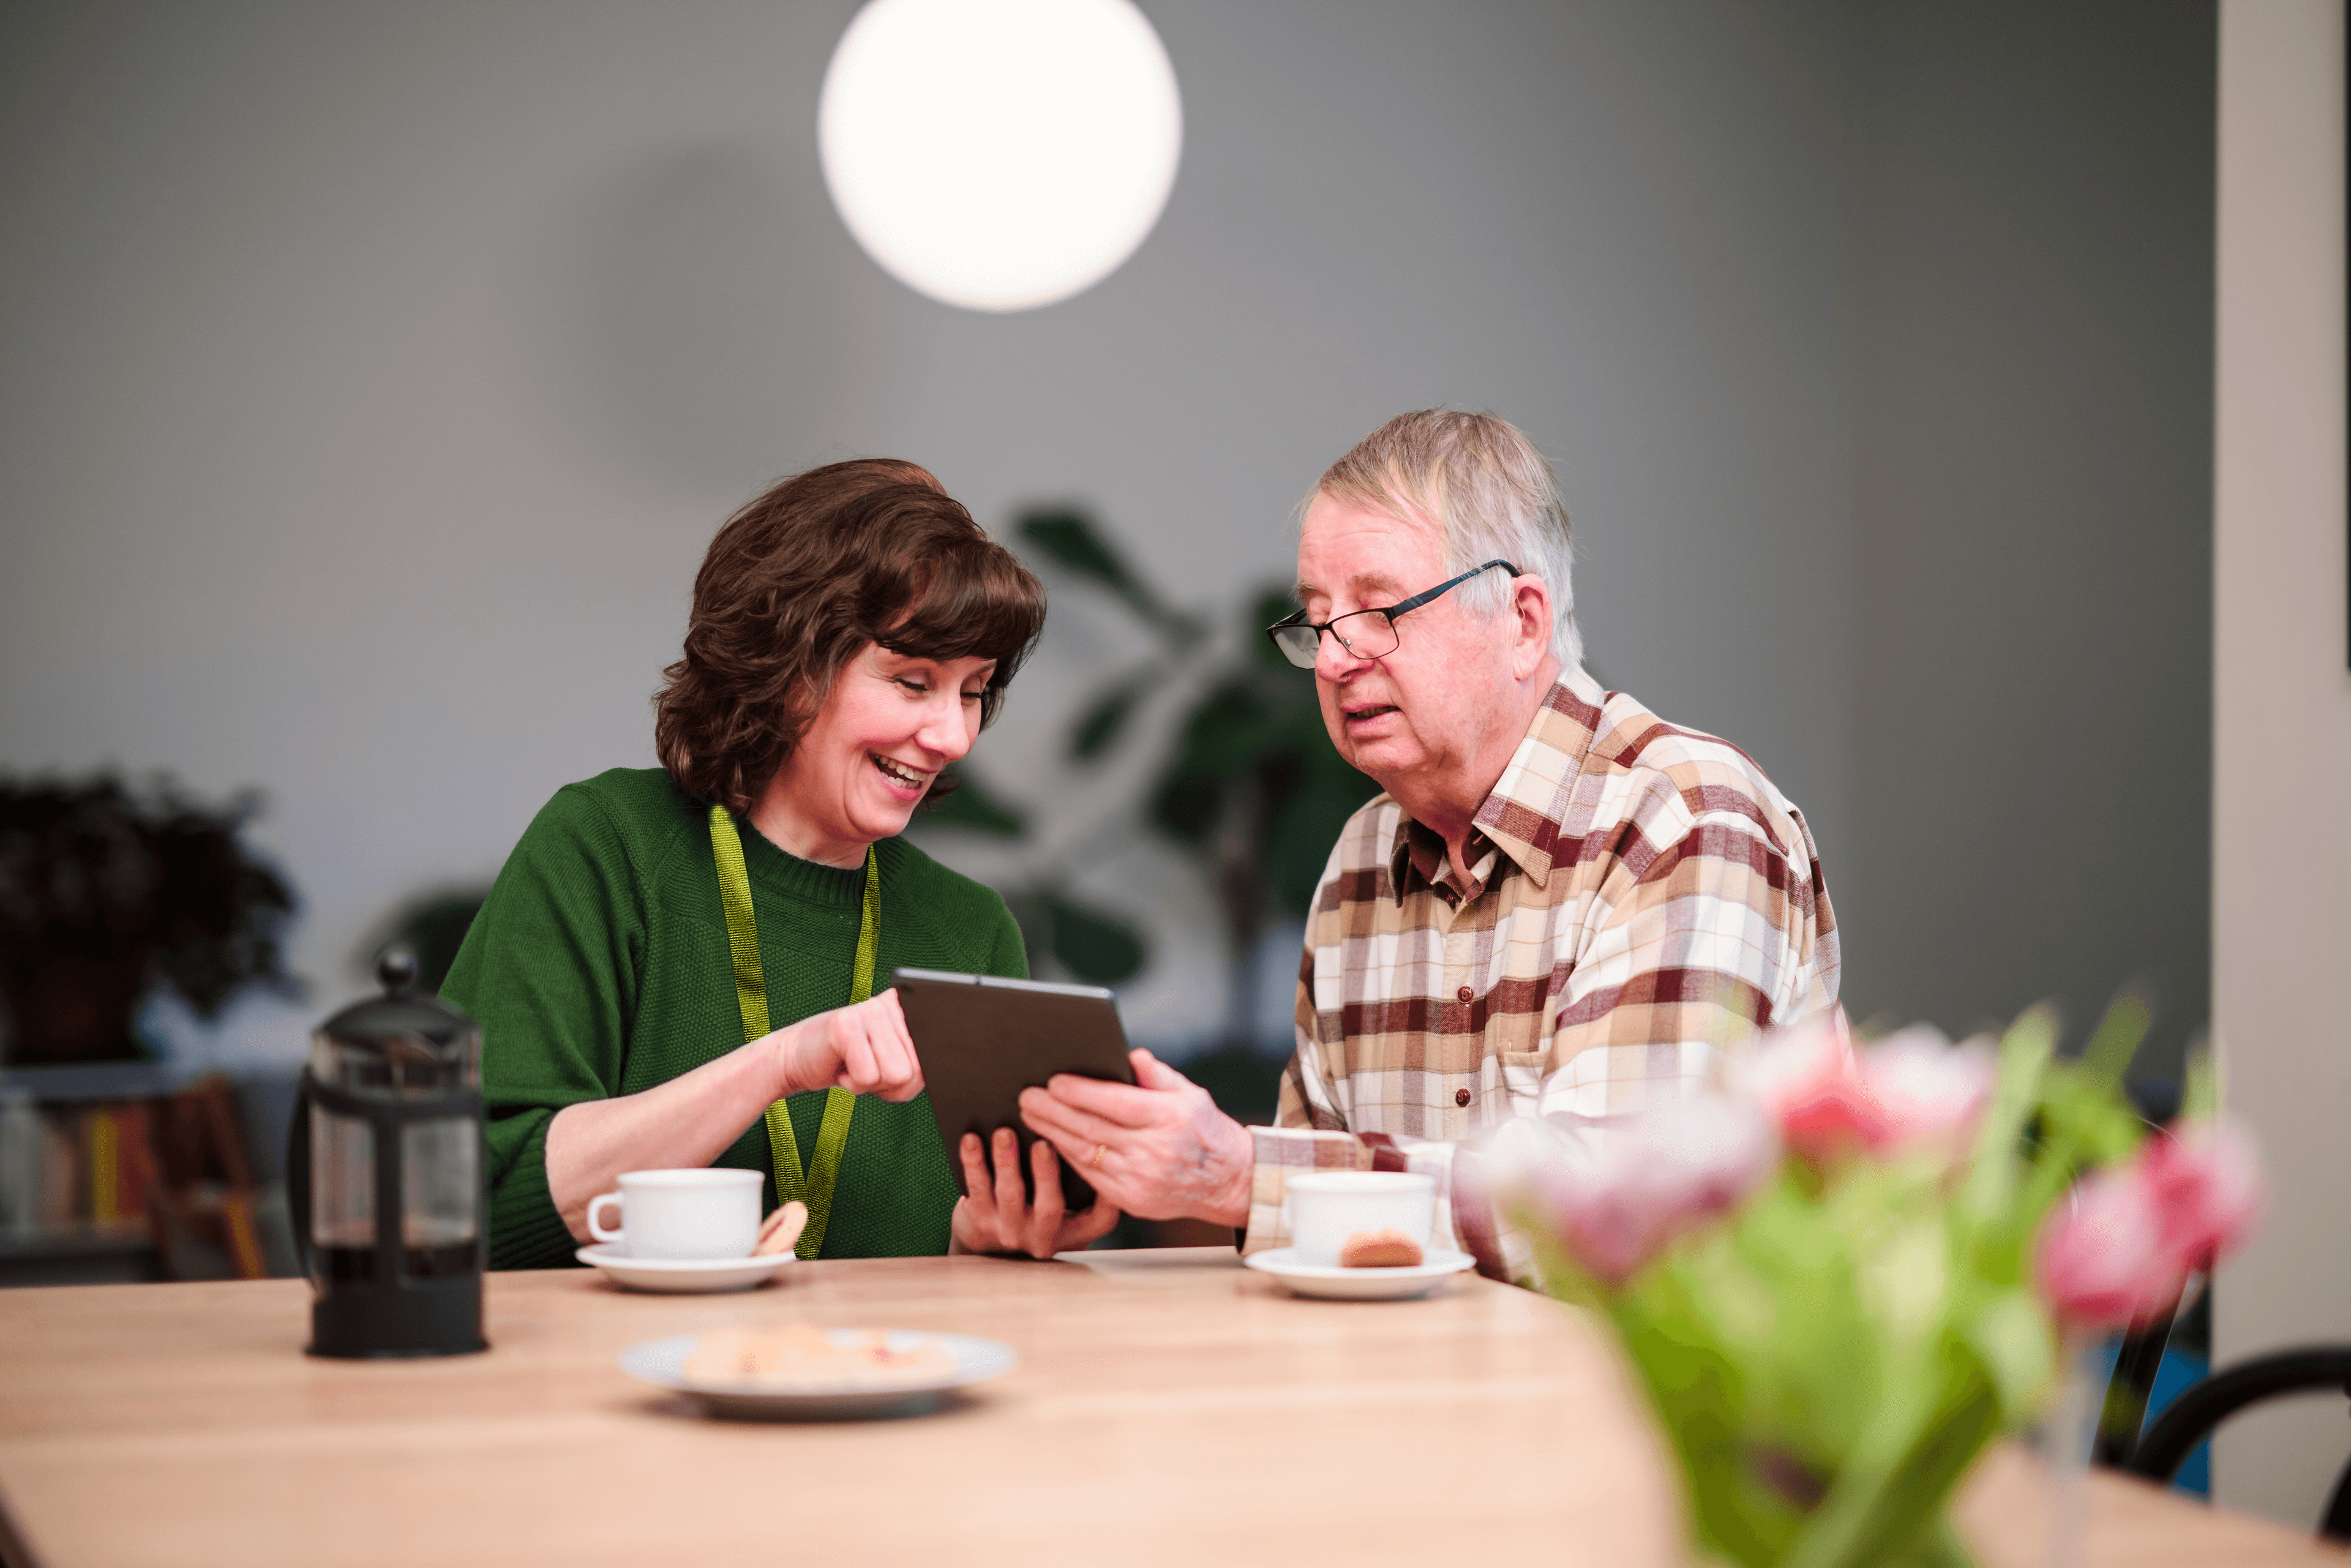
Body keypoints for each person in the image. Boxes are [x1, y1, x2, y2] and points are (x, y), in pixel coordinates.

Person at [1017, 410, 1840, 1280]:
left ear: (1524, 622)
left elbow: (1614, 1222)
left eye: (1379, 611)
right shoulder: (1358, 861)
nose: (1335, 659)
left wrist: (1237, 1177)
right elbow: (1319, 1247)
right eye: (1317, 619)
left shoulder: (1685, 821)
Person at [443, 459, 1119, 1268]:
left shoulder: (970, 929)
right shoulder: (605, 847)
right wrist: (782, 1063)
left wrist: (975, 1245)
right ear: (794, 668)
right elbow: (473, 1201)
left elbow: (945, 1280)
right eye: (913, 682)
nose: (954, 737)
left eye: (973, 691)